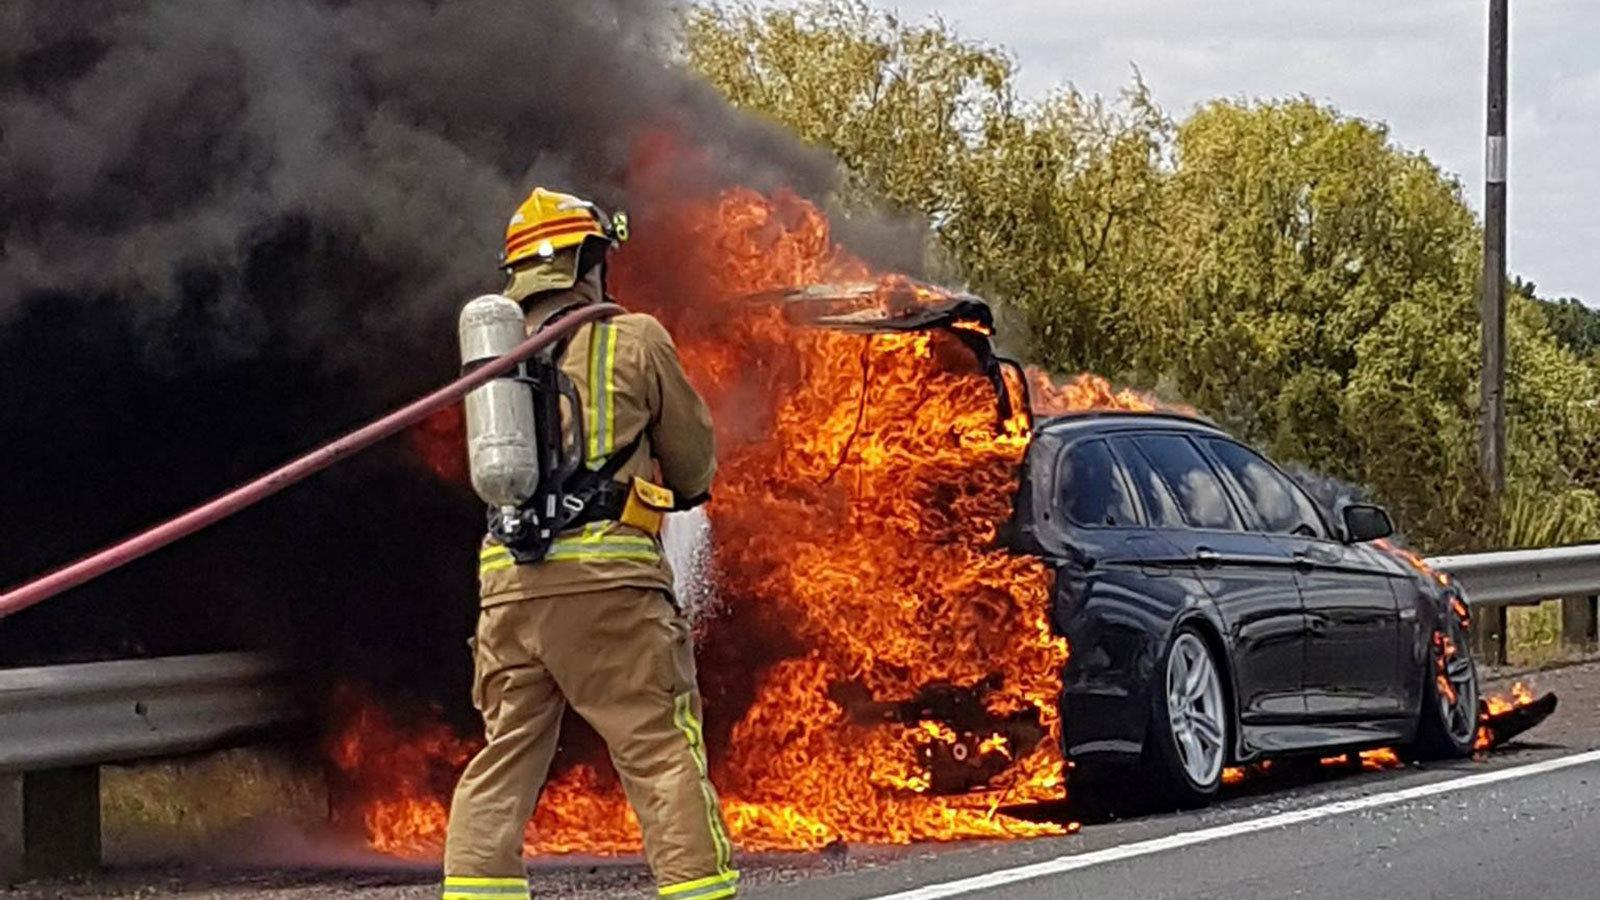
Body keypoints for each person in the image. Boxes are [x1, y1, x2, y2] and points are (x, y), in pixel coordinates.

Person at [441, 188, 736, 900]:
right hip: (611, 583)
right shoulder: (634, 338)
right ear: (588, 262)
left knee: (504, 759)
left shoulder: (493, 357)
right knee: (659, 749)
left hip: (508, 585)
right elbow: (693, 464)